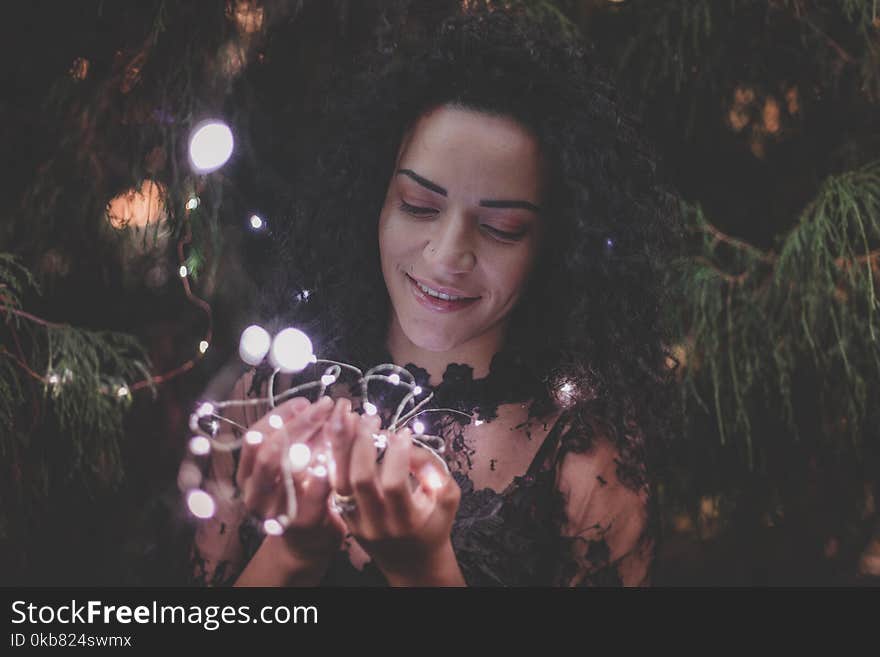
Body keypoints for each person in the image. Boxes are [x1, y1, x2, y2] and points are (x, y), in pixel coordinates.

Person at [189, 5, 681, 587]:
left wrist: (424, 571)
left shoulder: (589, 464)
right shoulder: (267, 400)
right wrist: (294, 551)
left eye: (501, 228)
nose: (447, 256)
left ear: (554, 246)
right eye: (419, 207)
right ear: (374, 198)